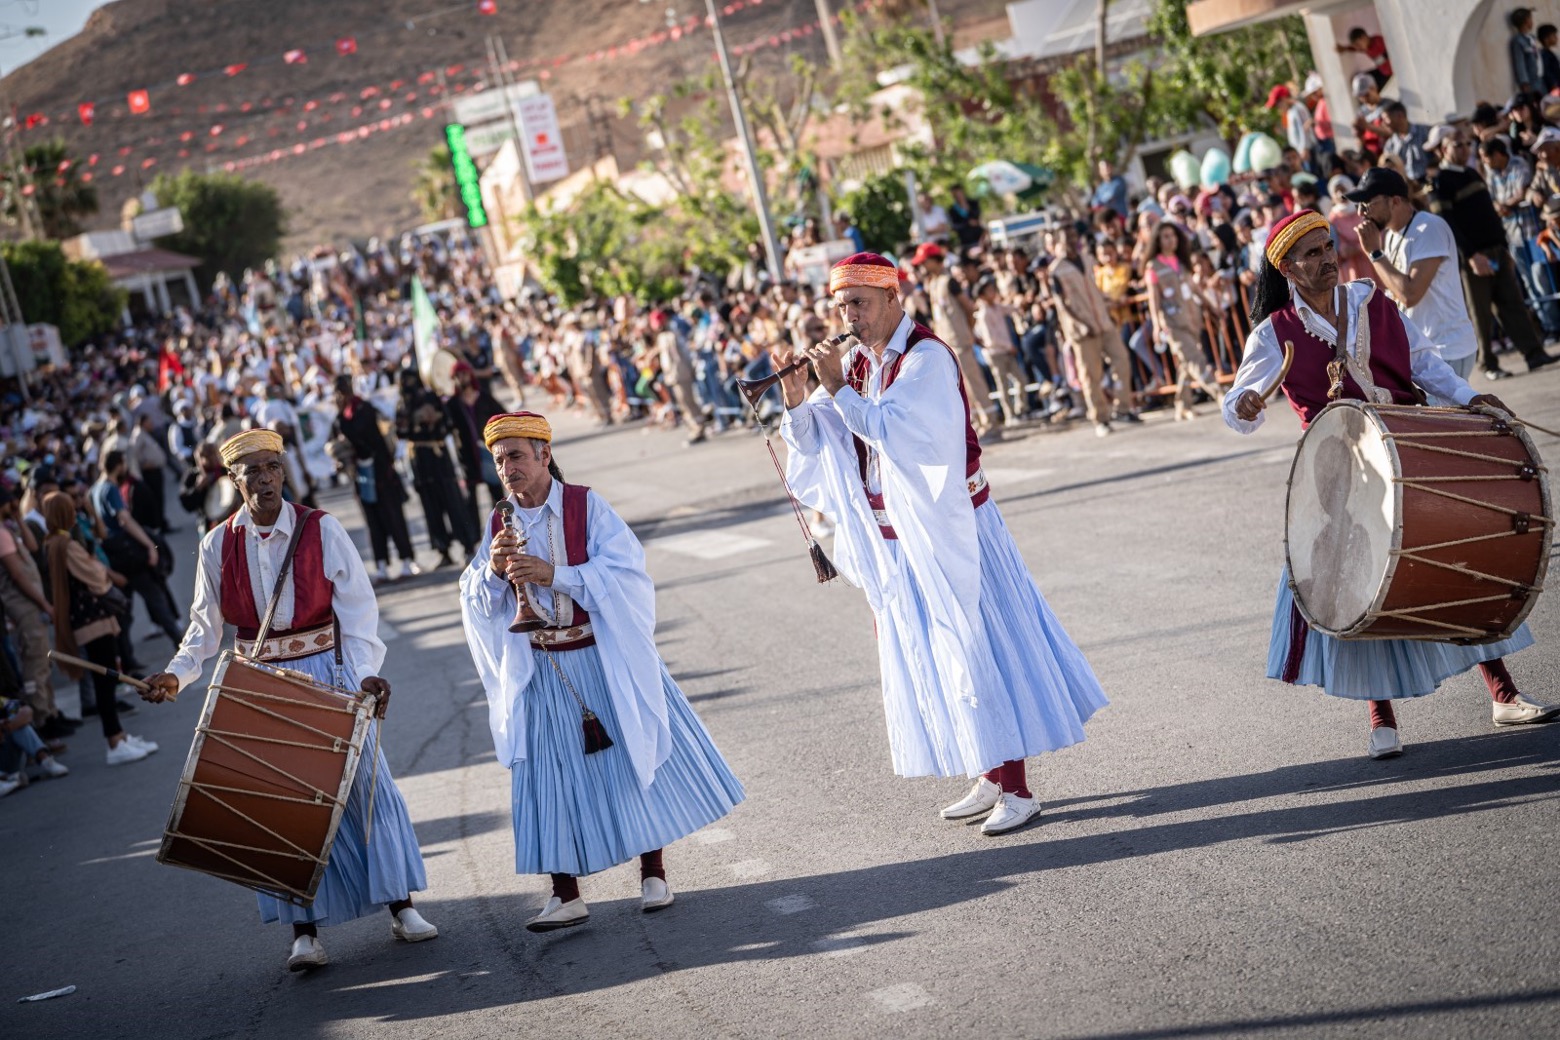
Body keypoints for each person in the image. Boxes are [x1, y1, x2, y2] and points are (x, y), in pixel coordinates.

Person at [775, 253, 1109, 835]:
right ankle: (989, 773)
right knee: (938, 653)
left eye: (859, 303)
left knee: (980, 648)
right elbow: (822, 445)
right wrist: (798, 397)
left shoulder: (926, 357)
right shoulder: (856, 363)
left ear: (891, 298)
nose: (849, 316)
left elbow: (894, 433)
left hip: (955, 529)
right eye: (841, 306)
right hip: (898, 538)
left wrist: (835, 389)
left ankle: (1020, 788)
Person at [1223, 210, 1556, 759]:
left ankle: (1504, 693)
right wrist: (1246, 402)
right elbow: (1236, 411)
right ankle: (1381, 718)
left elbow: (1424, 363)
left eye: (1328, 246)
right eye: (1310, 254)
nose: (1326, 258)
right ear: (1285, 267)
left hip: (1410, 447)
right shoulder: (1273, 333)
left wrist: (1469, 399)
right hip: (1339, 472)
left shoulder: (1370, 300)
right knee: (1361, 581)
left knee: (1448, 565)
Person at [141, 429, 437, 971]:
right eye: (251, 470)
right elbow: (205, 630)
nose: (264, 478)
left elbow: (358, 609)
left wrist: (366, 674)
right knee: (277, 808)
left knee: (366, 787)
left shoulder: (320, 529)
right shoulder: (216, 544)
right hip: (259, 684)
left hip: (329, 670)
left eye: (272, 467)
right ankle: (303, 932)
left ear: (283, 471)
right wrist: (175, 677)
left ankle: (402, 906)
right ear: (233, 480)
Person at [458, 411, 743, 931]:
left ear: (545, 454)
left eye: (517, 456)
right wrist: (493, 573)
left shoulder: (586, 505)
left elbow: (626, 574)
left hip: (598, 655)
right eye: (499, 461)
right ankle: (565, 893)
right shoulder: (499, 520)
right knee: (548, 777)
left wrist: (555, 575)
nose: (508, 469)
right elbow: (476, 596)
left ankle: (653, 874)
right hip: (541, 666)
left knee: (631, 758)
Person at [1425, 124, 1556, 379]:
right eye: (1458, 145)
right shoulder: (1440, 181)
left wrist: (1503, 247)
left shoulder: (1473, 174)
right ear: (1443, 149)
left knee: (1513, 304)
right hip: (1473, 258)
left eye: (1467, 144)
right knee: (1480, 314)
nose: (1465, 149)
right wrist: (1471, 255)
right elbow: (1447, 224)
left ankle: (1533, 353)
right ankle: (1488, 364)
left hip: (1496, 250)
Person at [41, 492, 154, 767]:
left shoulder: (55, 542)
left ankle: (120, 736)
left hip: (86, 619)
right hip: (92, 620)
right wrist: (103, 574)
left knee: (107, 678)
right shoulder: (65, 544)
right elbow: (94, 575)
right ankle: (114, 741)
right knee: (105, 680)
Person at [1352, 169, 1481, 381]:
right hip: (1424, 352)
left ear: (1394, 201)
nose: (1360, 213)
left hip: (1446, 350)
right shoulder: (1393, 234)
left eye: (1367, 204)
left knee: (1438, 415)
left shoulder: (1428, 228)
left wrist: (1375, 254)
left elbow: (1410, 294)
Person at [90, 449, 184, 645]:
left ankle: (126, 657)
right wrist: (149, 544)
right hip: (129, 556)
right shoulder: (110, 489)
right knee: (156, 599)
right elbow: (124, 519)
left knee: (124, 609)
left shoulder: (94, 490)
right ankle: (180, 643)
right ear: (118, 466)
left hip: (113, 555)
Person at [331, 375, 419, 582]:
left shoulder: (366, 408)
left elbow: (383, 434)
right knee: (373, 520)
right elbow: (337, 443)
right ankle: (381, 564)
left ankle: (407, 559)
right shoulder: (340, 417)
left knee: (393, 515)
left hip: (381, 469)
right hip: (360, 473)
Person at [1046, 228, 1124, 436]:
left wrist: (1108, 301)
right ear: (1059, 242)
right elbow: (1061, 304)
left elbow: (1094, 289)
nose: (1072, 241)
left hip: (1103, 321)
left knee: (1121, 359)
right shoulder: (1056, 270)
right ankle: (1100, 418)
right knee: (1091, 375)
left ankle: (1123, 407)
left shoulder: (1088, 259)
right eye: (1067, 238)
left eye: (1074, 237)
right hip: (1082, 330)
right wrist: (1080, 324)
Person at [1144, 222, 1224, 421]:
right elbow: (1153, 298)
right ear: (1158, 240)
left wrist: (1211, 306)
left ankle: (1182, 405)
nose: (1170, 240)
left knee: (1186, 364)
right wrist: (1156, 324)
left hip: (1191, 318)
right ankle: (1220, 394)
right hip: (1172, 323)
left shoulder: (1181, 262)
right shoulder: (1153, 266)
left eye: (1172, 235)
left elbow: (1194, 288)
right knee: (1195, 360)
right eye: (1165, 236)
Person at [397, 366, 476, 568]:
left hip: (439, 457)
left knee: (453, 501)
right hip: (420, 461)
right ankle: (443, 549)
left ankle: (468, 546)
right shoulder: (403, 404)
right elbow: (401, 432)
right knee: (431, 507)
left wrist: (434, 420)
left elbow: (449, 424)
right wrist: (415, 420)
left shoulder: (433, 398)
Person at [914, 242, 995, 436]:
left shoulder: (949, 281)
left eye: (925, 262)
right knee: (963, 386)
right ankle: (976, 421)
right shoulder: (933, 283)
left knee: (974, 380)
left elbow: (968, 308)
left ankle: (991, 420)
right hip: (947, 342)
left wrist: (967, 331)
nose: (922, 266)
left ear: (934, 260)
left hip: (960, 341)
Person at [0, 485, 56, 733]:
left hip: (30, 603)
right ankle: (42, 718)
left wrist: (17, 519)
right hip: (22, 605)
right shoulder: (1, 534)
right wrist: (44, 603)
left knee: (44, 660)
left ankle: (51, 713)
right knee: (35, 660)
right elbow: (18, 575)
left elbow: (33, 546)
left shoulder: (8, 528)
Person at [1336, 26, 1392, 90]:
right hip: (1383, 72)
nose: (1358, 48)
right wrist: (1344, 48)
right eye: (1356, 46)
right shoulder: (1366, 48)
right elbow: (1354, 49)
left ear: (1363, 37)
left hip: (1391, 72)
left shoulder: (1379, 42)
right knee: (1361, 79)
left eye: (1358, 45)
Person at [1509, 7, 1542, 94]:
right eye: (1530, 18)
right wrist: (1524, 82)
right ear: (1526, 21)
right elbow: (1519, 62)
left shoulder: (1532, 38)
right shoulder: (1518, 41)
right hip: (1532, 81)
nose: (1532, 21)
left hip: (1540, 78)